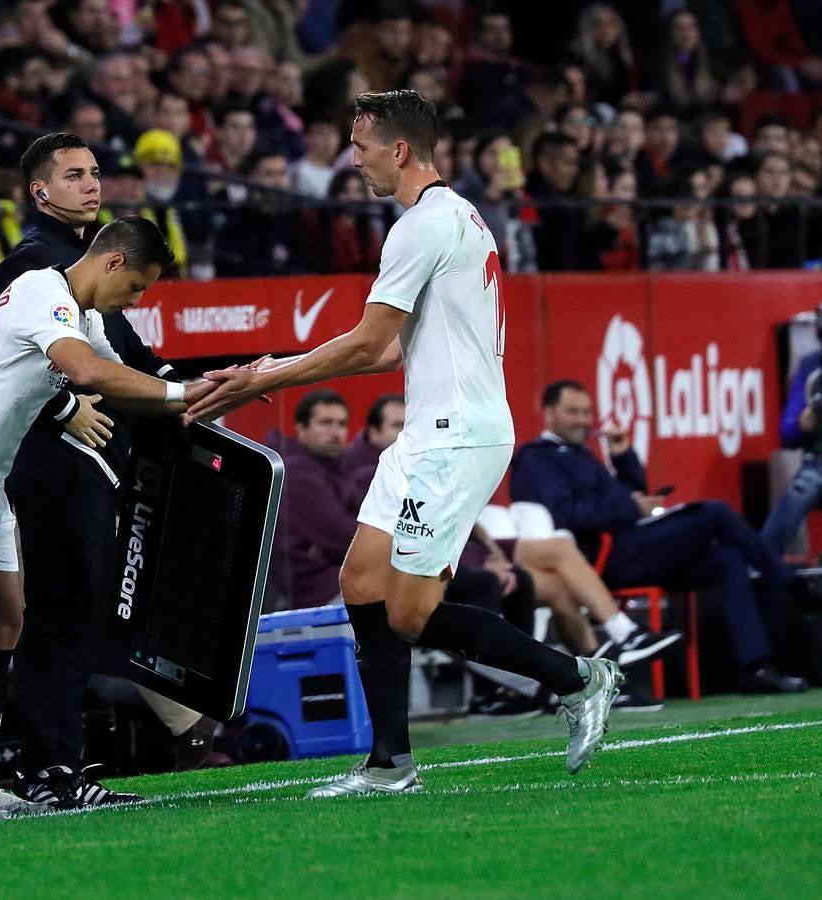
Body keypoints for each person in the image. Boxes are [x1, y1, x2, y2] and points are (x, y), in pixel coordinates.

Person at [187, 89, 624, 795]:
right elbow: (392, 352)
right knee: (360, 580)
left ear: (399, 150)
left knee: (410, 612)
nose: (352, 161)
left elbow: (366, 345)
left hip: (455, 437)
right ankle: (390, 764)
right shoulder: (460, 221)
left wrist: (256, 379)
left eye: (360, 147)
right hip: (430, 431)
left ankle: (578, 678)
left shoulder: (421, 225)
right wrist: (271, 369)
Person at [0, 217, 210, 823]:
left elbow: (127, 386)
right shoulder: (42, 289)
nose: (138, 302)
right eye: (139, 288)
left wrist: (202, 392)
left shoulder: (86, 318)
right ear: (114, 262)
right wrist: (177, 397)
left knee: (10, 617)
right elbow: (90, 375)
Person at [511, 380, 809, 695]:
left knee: (727, 560)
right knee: (716, 513)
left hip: (635, 549)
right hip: (604, 559)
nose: (583, 420)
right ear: (549, 414)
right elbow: (566, 516)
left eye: (587, 412)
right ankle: (791, 584)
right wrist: (630, 506)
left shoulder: (580, 454)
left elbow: (627, 496)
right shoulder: (536, 458)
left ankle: (756, 668)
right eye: (573, 412)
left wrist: (624, 458)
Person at [270, 389, 362, 610]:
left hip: (340, 580)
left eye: (341, 424)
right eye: (325, 423)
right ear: (301, 427)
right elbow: (345, 537)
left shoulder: (333, 469)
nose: (335, 432)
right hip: (320, 594)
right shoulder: (296, 471)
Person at [763, 305, 822, 555]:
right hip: (817, 465)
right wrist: (803, 423)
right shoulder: (811, 368)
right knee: (801, 490)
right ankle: (760, 564)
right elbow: (786, 433)